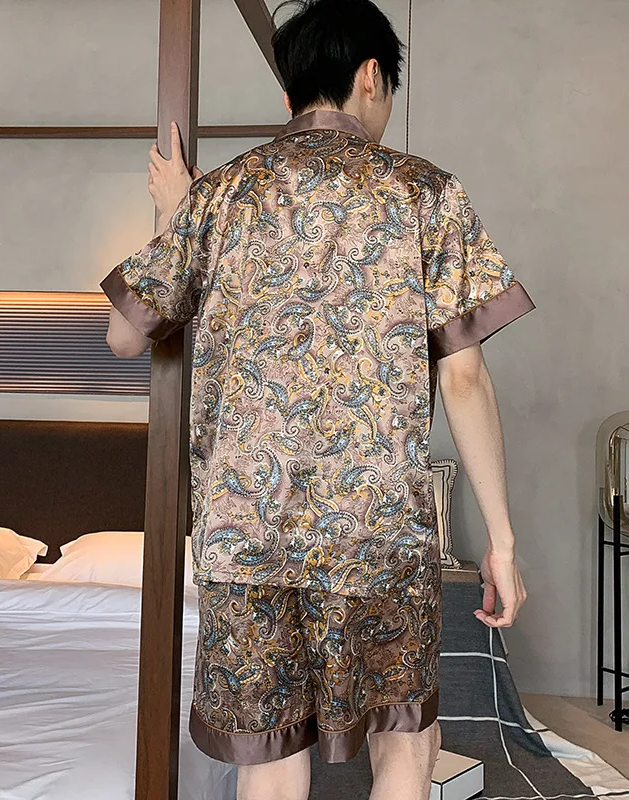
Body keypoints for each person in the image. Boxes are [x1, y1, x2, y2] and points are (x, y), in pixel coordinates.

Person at [102, 1, 534, 797]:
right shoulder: (426, 192)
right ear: (372, 76)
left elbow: (126, 338)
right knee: (405, 737)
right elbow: (464, 376)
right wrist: (500, 542)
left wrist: (173, 215)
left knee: (270, 752)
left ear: (291, 92)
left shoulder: (221, 196)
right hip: (379, 532)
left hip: (246, 533)